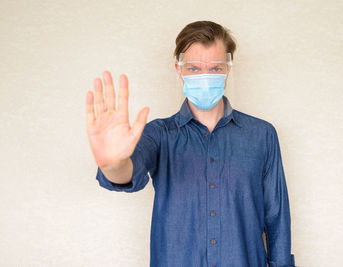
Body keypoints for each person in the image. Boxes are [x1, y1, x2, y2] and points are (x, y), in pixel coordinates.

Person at [86, 20, 296, 267]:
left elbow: (276, 217)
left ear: (228, 68)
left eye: (215, 68)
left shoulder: (262, 135)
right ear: (179, 69)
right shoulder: (159, 134)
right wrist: (113, 164)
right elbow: (128, 172)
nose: (205, 77)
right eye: (194, 69)